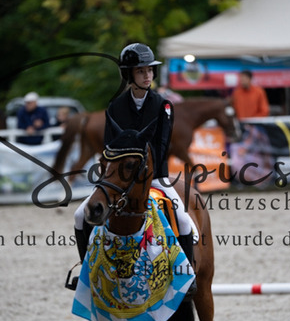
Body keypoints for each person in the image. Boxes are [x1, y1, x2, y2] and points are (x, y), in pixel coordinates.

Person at [71, 42, 197, 293]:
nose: (147, 75)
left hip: (154, 175)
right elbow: (109, 145)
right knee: (79, 215)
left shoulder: (163, 105)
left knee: (184, 219)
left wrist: (143, 171)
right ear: (129, 74)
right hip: (119, 177)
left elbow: (162, 145)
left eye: (149, 70)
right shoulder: (115, 107)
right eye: (141, 71)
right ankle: (87, 271)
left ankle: (187, 272)